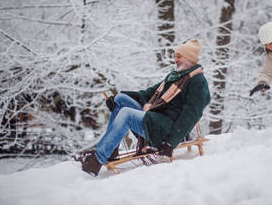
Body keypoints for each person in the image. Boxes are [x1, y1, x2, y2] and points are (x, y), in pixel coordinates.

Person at [80, 39, 211, 176]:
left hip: (165, 129)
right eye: (175, 56)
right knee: (120, 100)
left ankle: (97, 160)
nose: (175, 59)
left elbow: (190, 116)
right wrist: (119, 96)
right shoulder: (175, 76)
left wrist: (170, 143)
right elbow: (149, 93)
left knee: (126, 114)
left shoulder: (198, 82)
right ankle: (111, 151)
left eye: (179, 56)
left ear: (189, 58)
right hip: (156, 118)